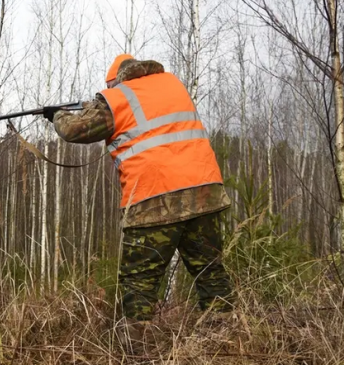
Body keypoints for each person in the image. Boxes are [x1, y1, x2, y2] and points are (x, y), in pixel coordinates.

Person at [47, 54, 233, 326]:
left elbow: (75, 130)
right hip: (205, 191)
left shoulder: (120, 96)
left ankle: (137, 348)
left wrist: (57, 115)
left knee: (139, 283)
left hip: (154, 197)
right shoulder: (173, 84)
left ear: (115, 80)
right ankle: (227, 338)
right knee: (210, 272)